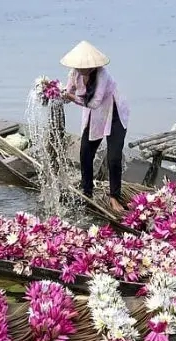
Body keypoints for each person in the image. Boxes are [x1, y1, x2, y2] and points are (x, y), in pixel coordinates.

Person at [60, 40, 129, 212]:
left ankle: (114, 197)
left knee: (113, 157)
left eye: (85, 67)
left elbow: (95, 102)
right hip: (94, 116)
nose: (81, 69)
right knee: (85, 152)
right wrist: (55, 93)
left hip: (114, 113)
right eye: (79, 66)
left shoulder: (102, 74)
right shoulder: (74, 73)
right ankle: (87, 191)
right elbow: (67, 92)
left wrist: (71, 97)